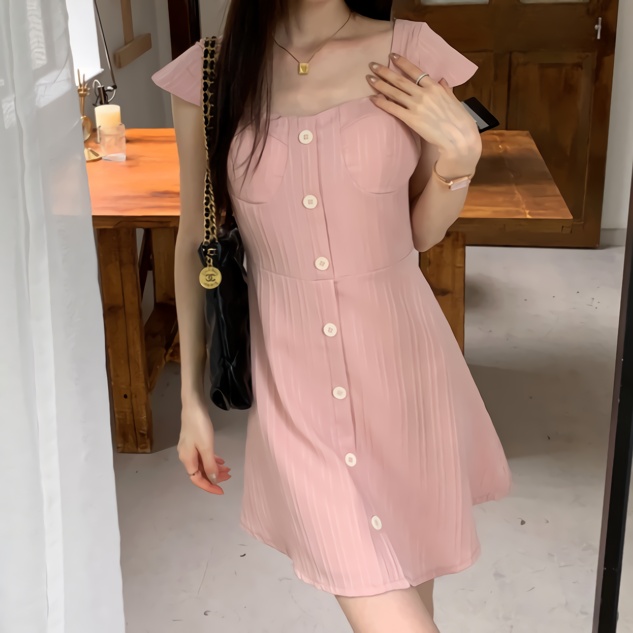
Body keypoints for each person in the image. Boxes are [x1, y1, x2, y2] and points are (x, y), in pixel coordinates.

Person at [152, 1, 511, 631]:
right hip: (296, 394)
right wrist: (190, 402)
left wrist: (459, 160)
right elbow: (194, 241)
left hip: (406, 377)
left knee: (408, 587)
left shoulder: (409, 53)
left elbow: (421, 233)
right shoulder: (212, 73)